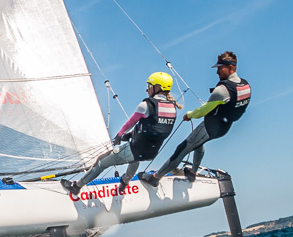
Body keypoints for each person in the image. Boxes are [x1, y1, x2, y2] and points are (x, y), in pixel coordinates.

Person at [65, 72, 180, 191]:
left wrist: (119, 135)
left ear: (157, 87)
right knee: (135, 158)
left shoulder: (146, 105)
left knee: (101, 162)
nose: (147, 90)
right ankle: (125, 182)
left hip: (135, 150)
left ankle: (76, 186)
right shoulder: (172, 107)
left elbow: (130, 123)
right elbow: (154, 128)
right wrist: (130, 135)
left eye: (149, 86)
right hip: (151, 153)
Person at [152, 51, 250, 181]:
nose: (217, 72)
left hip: (211, 127)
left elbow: (202, 111)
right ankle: (192, 172)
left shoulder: (222, 90)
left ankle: (155, 178)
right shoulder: (245, 85)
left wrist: (189, 115)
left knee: (182, 149)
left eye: (220, 68)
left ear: (230, 68)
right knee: (198, 144)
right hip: (225, 127)